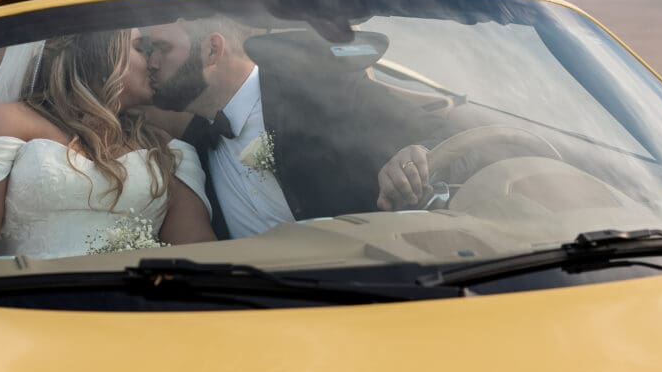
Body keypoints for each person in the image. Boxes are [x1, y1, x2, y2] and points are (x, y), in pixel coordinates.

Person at [144, 16, 453, 238]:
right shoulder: (194, 149)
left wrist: (417, 155)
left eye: (162, 48)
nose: (152, 63)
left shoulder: (322, 90)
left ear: (212, 49)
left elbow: (443, 136)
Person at [0, 28, 215, 260]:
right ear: (99, 55)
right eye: (140, 48)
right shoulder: (8, 123)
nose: (153, 62)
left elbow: (197, 252)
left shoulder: (170, 151)